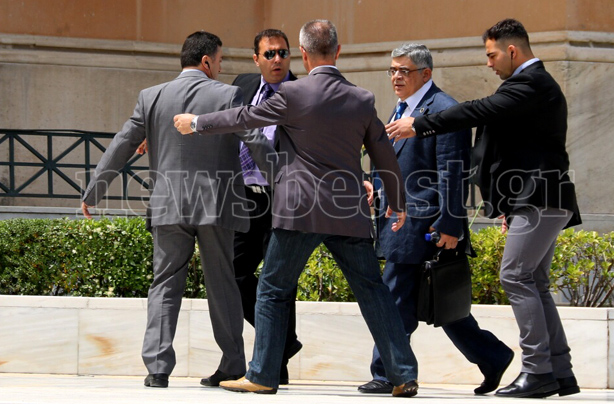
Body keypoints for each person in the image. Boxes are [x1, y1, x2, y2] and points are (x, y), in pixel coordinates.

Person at [174, 19, 419, 397]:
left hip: (299, 211)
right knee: (373, 291)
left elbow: (244, 117)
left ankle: (262, 374)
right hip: (347, 211)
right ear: (338, 51)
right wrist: (398, 201)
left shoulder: (293, 93)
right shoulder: (362, 98)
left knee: (272, 289)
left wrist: (196, 122)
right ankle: (402, 374)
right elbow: (383, 152)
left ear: (303, 54)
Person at [385, 19, 581, 399]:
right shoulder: (531, 87)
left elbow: (477, 111)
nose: (488, 63)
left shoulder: (531, 83)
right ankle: (559, 371)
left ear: (512, 50)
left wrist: (419, 125)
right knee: (534, 280)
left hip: (540, 198)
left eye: (492, 55)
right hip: (536, 198)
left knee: (516, 276)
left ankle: (538, 370)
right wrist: (508, 204)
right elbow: (520, 150)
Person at [82, 31, 275, 388]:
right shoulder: (229, 95)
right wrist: (285, 183)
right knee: (222, 284)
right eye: (219, 60)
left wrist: (94, 191)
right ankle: (232, 363)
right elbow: (256, 142)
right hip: (216, 205)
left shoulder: (151, 97)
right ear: (206, 61)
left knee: (165, 283)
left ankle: (157, 368)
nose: (221, 67)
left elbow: (123, 143)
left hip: (168, 204)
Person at [358, 43, 514, 396]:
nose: (396, 77)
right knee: (443, 303)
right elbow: (399, 162)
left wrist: (449, 224)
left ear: (426, 73)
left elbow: (452, 172)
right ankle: (492, 356)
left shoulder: (444, 110)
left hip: (423, 224)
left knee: (395, 297)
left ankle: (389, 373)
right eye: (393, 70)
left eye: (404, 71)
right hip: (401, 221)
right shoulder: (402, 107)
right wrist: (377, 187)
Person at [226, 28, 302, 387]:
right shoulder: (241, 85)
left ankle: (276, 363)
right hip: (245, 196)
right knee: (235, 272)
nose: (277, 60)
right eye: (269, 54)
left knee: (280, 279)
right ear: (256, 58)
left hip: (282, 197)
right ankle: (283, 342)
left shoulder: (302, 92)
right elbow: (214, 116)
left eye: (283, 53)